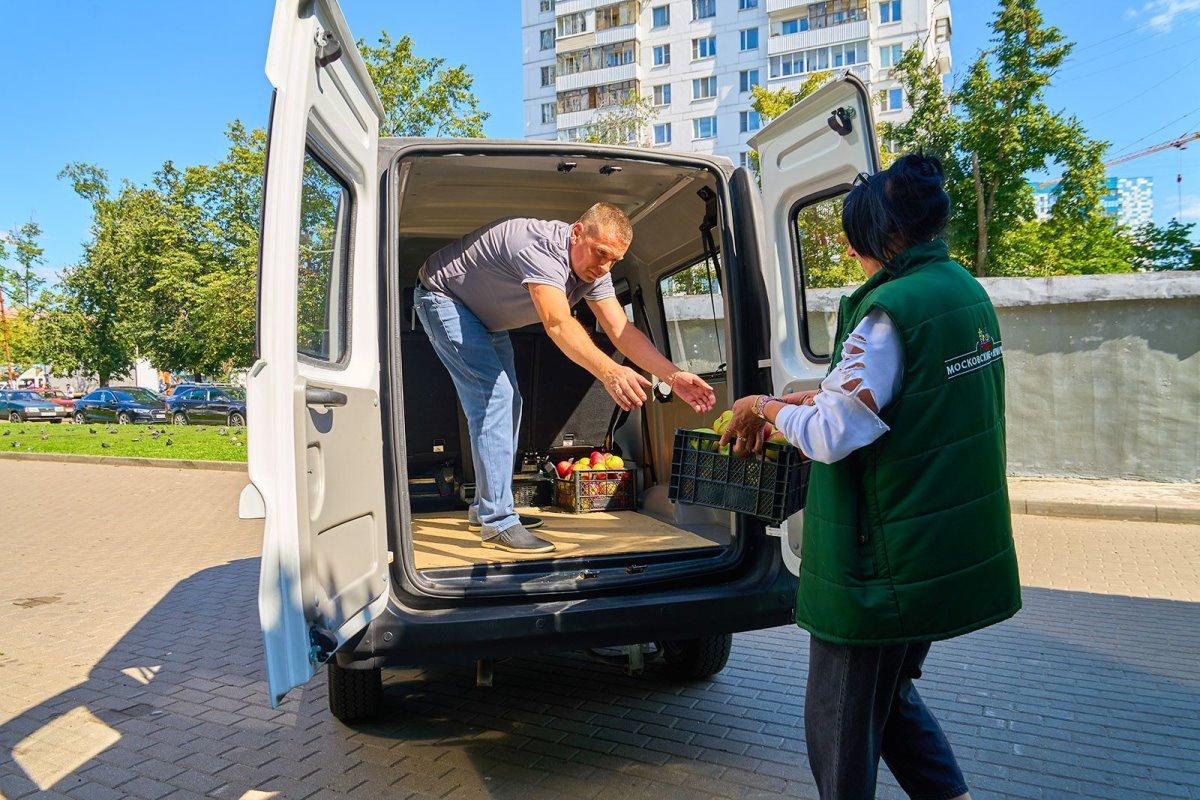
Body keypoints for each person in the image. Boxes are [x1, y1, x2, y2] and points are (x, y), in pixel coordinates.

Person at [721, 154, 1021, 800]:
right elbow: (910, 397)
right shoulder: (961, 292)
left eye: (856, 242)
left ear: (884, 237)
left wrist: (763, 407)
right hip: (935, 545)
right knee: (892, 700)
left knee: (840, 723)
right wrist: (812, 398)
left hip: (880, 557)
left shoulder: (888, 312)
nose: (854, 258)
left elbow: (833, 436)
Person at [415, 203, 717, 554]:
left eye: (614, 260)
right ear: (577, 233)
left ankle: (487, 509)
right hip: (444, 297)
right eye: (600, 253)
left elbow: (620, 329)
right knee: (495, 399)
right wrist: (610, 371)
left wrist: (672, 375)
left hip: (486, 319)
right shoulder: (539, 247)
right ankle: (498, 522)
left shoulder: (595, 271)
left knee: (510, 402)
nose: (604, 267)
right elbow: (558, 323)